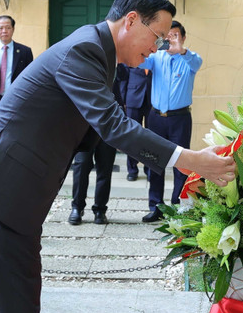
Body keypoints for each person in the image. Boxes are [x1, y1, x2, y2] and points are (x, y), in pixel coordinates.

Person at [0, 0, 236, 313]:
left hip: (10, 181)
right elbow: (113, 125)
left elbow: (104, 125)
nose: (156, 48)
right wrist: (189, 160)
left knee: (4, 303)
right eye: (156, 37)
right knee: (16, 307)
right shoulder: (86, 49)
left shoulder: (101, 52)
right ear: (130, 21)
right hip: (4, 183)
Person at [139, 20, 202, 222]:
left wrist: (180, 51)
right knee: (154, 162)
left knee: (181, 164)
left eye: (175, 36)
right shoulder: (156, 57)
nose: (170, 40)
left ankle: (178, 207)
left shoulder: (190, 59)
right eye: (167, 36)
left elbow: (196, 63)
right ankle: (156, 206)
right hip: (156, 117)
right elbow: (139, 60)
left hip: (180, 118)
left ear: (183, 38)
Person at [68, 64, 126, 225]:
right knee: (81, 167)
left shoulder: (118, 68)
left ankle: (100, 210)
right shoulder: (85, 67)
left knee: (105, 169)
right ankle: (77, 207)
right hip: (85, 127)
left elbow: (122, 96)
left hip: (109, 128)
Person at [0, 15, 33, 118]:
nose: (4, 31)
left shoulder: (24, 51)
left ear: (13, 29)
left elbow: (29, 75)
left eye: (8, 27)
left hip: (16, 98)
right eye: (1, 28)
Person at [122, 65, 152, 180]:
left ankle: (150, 169)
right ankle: (132, 170)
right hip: (133, 100)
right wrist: (124, 100)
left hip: (152, 101)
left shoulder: (156, 57)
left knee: (151, 138)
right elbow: (124, 79)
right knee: (132, 136)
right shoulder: (134, 56)